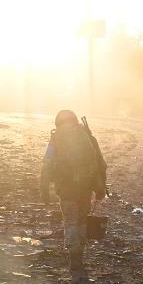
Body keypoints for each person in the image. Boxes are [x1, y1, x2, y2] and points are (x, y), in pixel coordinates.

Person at [40, 110, 108, 271]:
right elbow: (99, 164)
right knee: (82, 220)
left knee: (70, 221)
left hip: (66, 190)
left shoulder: (56, 139)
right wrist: (100, 189)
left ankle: (74, 258)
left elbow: (47, 165)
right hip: (85, 189)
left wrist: (44, 190)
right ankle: (80, 255)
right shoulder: (86, 136)